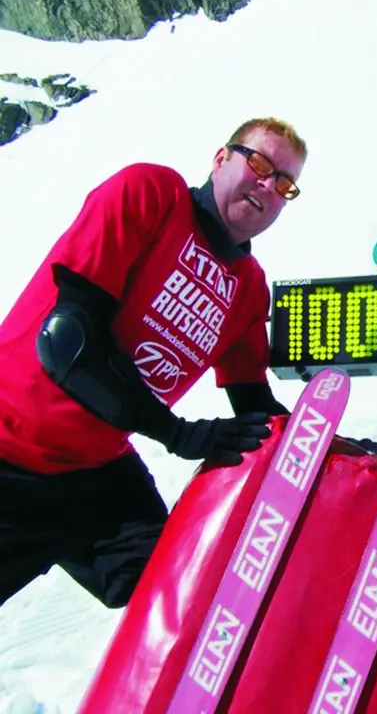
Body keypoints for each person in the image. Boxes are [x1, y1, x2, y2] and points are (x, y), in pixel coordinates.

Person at [0, 117, 307, 610]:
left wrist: (369, 455)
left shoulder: (248, 288)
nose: (268, 184)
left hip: (91, 472)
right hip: (8, 448)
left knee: (176, 591)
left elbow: (258, 412)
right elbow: (67, 345)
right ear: (220, 158)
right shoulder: (151, 193)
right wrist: (177, 433)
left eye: (285, 182)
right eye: (258, 162)